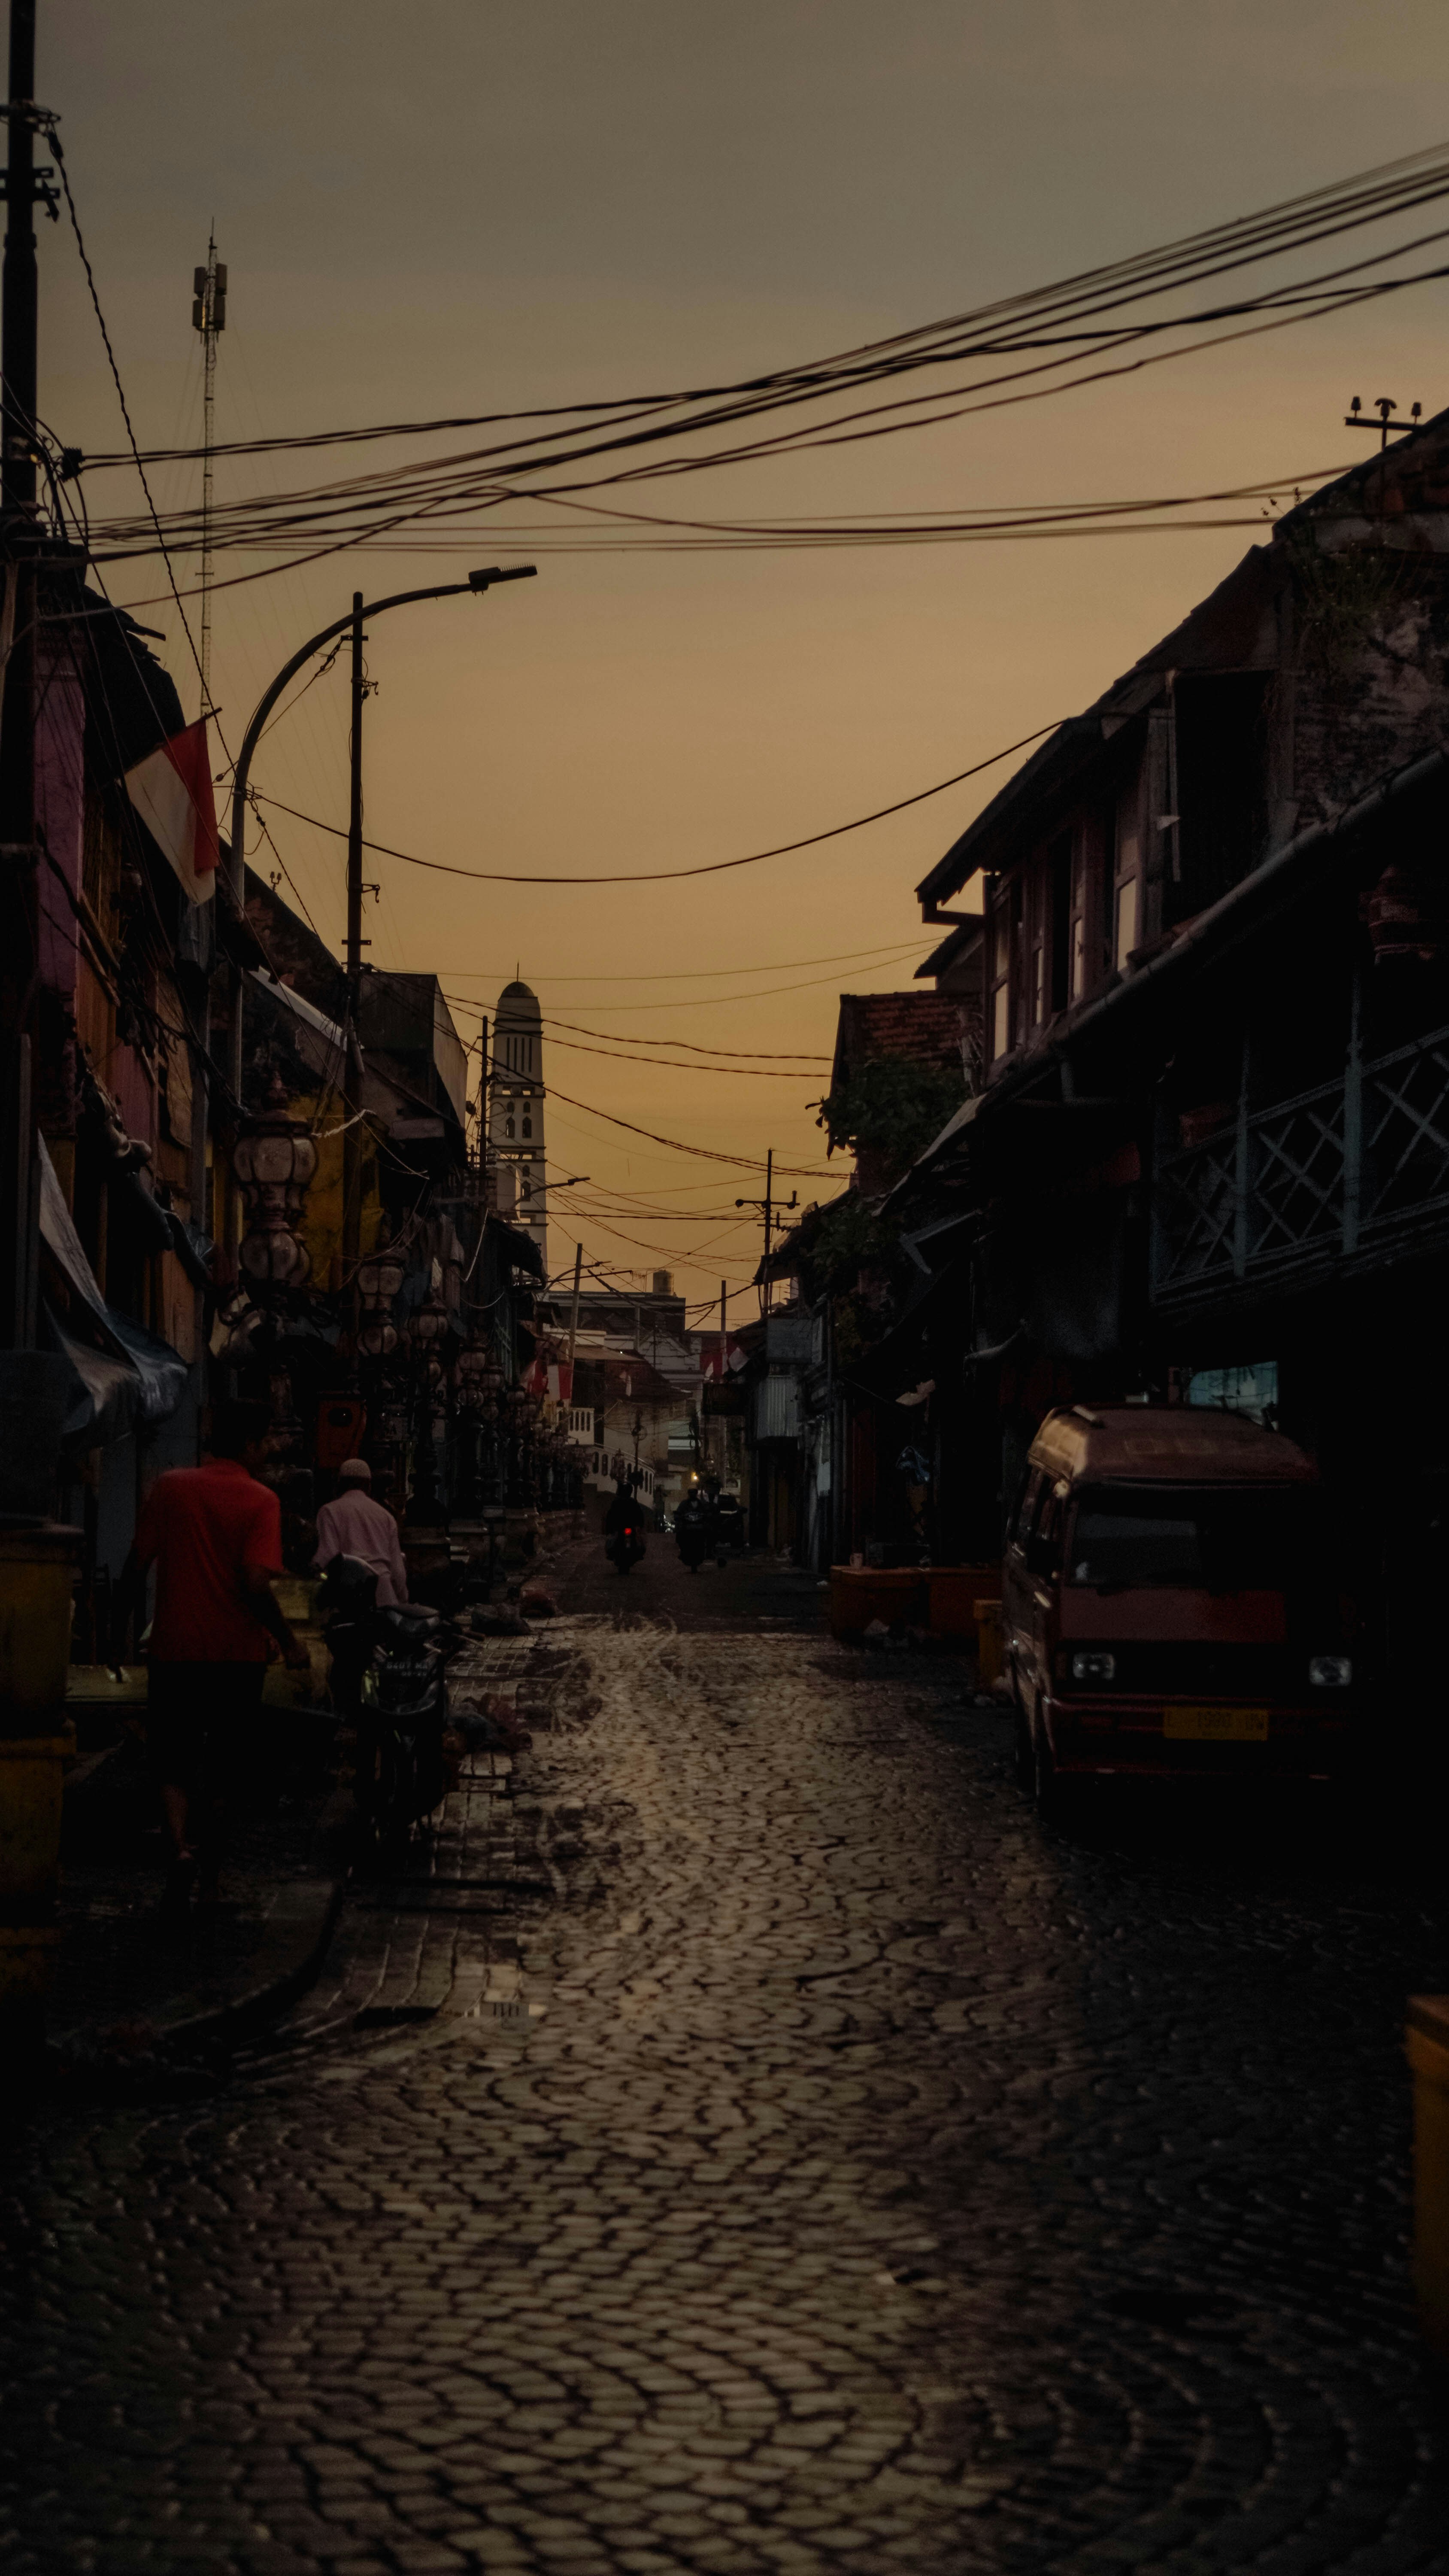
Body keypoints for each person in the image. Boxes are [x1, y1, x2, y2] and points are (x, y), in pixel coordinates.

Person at [121, 1397, 310, 1925]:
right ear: (249, 1446)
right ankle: (210, 1884)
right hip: (235, 1656)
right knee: (225, 1768)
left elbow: (136, 1566)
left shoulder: (171, 1487)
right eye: (266, 1441)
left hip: (174, 1649)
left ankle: (179, 1848)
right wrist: (289, 1641)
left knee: (172, 1760)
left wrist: (118, 1636)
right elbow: (255, 1583)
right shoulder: (259, 1500)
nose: (270, 1450)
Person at [313, 1456, 409, 1605]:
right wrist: (402, 1600)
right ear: (368, 1485)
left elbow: (327, 1556)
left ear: (341, 1484)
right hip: (385, 1597)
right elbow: (398, 1571)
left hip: (349, 1596)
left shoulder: (330, 1511)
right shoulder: (385, 1516)